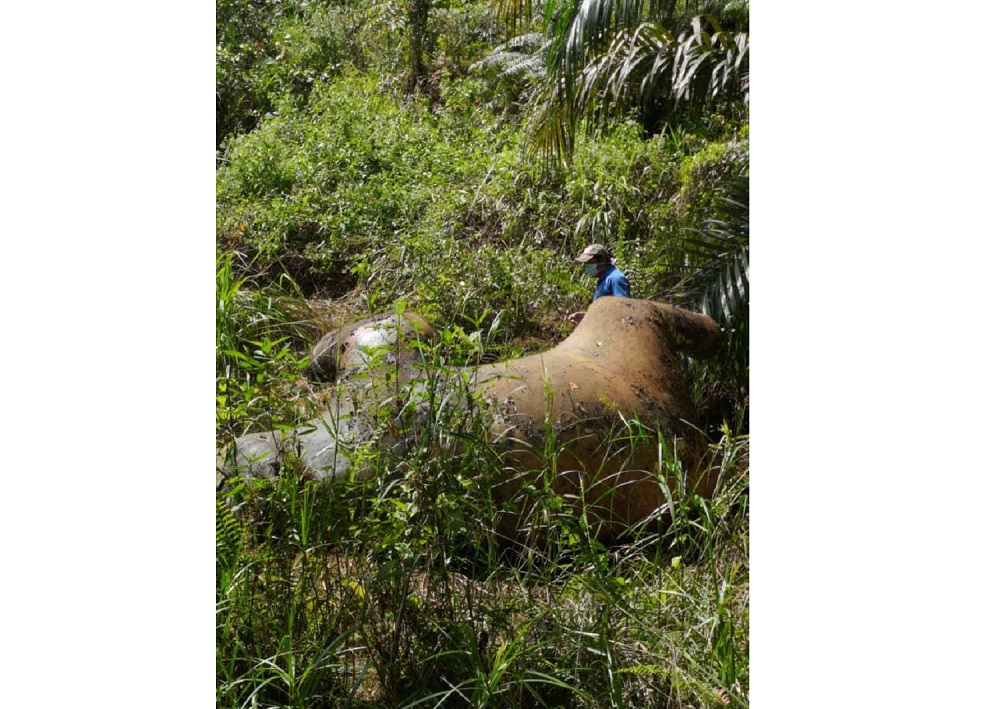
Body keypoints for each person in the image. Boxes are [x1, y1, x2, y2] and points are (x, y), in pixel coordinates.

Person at [567, 243, 631, 324]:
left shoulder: (616, 279)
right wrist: (587, 317)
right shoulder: (603, 279)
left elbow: (623, 311)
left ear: (601, 260)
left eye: (589, 262)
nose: (587, 266)